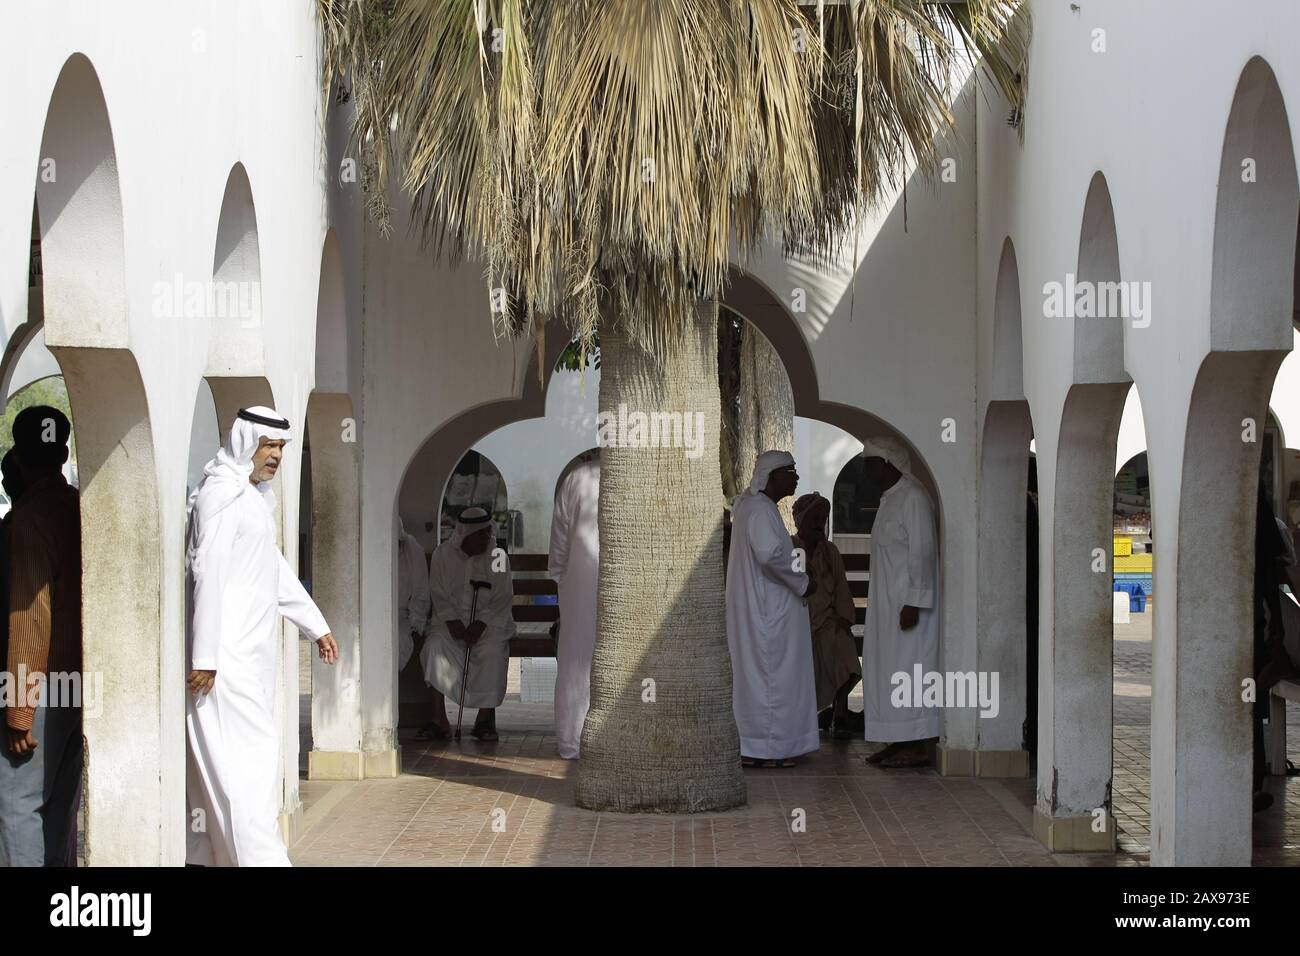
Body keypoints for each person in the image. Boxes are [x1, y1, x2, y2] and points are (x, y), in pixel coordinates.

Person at [186, 406, 339, 867]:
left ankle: (210, 857)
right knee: (244, 774)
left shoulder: (254, 498)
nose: (275, 456)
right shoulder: (223, 494)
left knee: (249, 768)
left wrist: (316, 625)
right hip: (223, 665)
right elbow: (205, 573)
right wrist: (205, 656)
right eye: (269, 445)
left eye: (281, 448)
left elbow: (273, 571)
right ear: (246, 442)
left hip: (251, 660)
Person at [0, 407, 81, 866]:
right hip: (80, 681)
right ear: (63, 453)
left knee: (18, 807)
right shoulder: (77, 507)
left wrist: (19, 709)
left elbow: (31, 620)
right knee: (58, 806)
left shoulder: (29, 521)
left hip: (41, 684)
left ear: (18, 457)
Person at [726, 450, 819, 768]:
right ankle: (770, 749)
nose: (795, 476)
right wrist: (803, 581)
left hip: (762, 610)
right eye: (789, 471)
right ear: (772, 475)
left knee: (762, 677)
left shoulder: (756, 507)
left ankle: (761, 747)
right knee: (772, 677)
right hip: (768, 612)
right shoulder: (760, 509)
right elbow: (770, 556)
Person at [860, 436, 940, 769]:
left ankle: (919, 743)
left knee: (911, 670)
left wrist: (913, 601)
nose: (866, 468)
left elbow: (922, 552)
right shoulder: (889, 499)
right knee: (888, 669)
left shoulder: (914, 498)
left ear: (889, 463)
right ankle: (897, 738)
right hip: (886, 605)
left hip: (908, 606)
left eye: (871, 462)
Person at [418, 507, 515, 742]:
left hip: (490, 623)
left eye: (487, 533)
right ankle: (438, 719)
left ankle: (485, 719)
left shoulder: (497, 557)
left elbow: (502, 596)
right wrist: (453, 622)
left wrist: (481, 624)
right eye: (480, 534)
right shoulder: (442, 555)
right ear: (465, 534)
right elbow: (438, 592)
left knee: (492, 651)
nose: (486, 538)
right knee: (435, 646)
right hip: (450, 624)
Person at [792, 492, 862, 739]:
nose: (819, 523)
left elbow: (842, 590)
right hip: (797, 623)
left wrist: (844, 621)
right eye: (813, 517)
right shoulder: (790, 548)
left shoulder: (830, 551)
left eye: (822, 518)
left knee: (844, 646)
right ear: (800, 520)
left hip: (827, 622)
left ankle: (839, 711)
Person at [550, 453, 599, 760]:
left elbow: (558, 547)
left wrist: (564, 579)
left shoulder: (576, 478)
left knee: (576, 659)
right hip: (630, 584)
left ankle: (573, 739)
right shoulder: (641, 475)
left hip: (579, 587)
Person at [396, 519, 430, 672]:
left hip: (401, 615)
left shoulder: (413, 551)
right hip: (369, 613)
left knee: (399, 639)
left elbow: (421, 592)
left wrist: (417, 625)